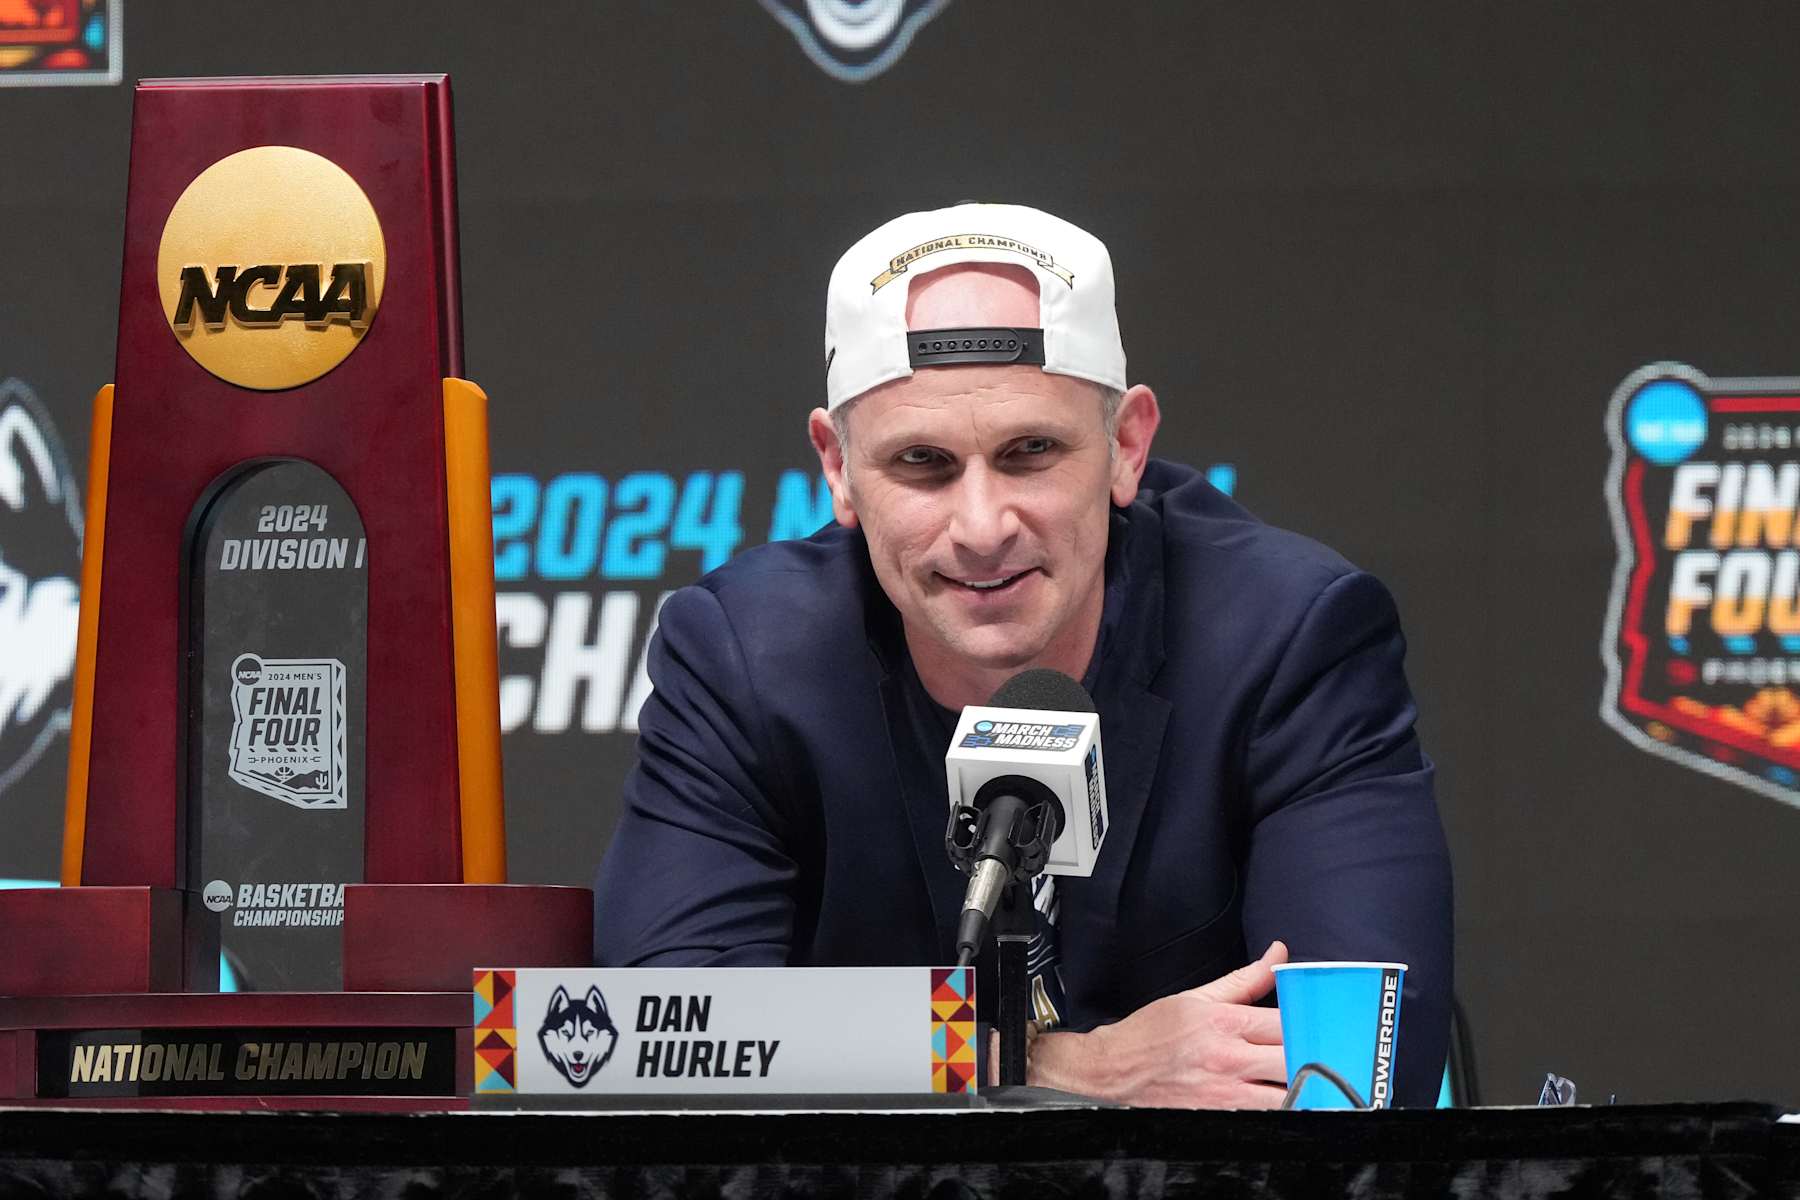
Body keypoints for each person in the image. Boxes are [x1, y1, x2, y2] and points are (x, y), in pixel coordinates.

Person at [595, 203, 1453, 1108]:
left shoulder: (1288, 636)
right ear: (838, 469)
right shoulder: (744, 658)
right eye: (922, 463)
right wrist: (1056, 1069)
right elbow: (657, 1040)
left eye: (1030, 452)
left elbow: (1357, 1066)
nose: (981, 528)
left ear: (1126, 447)